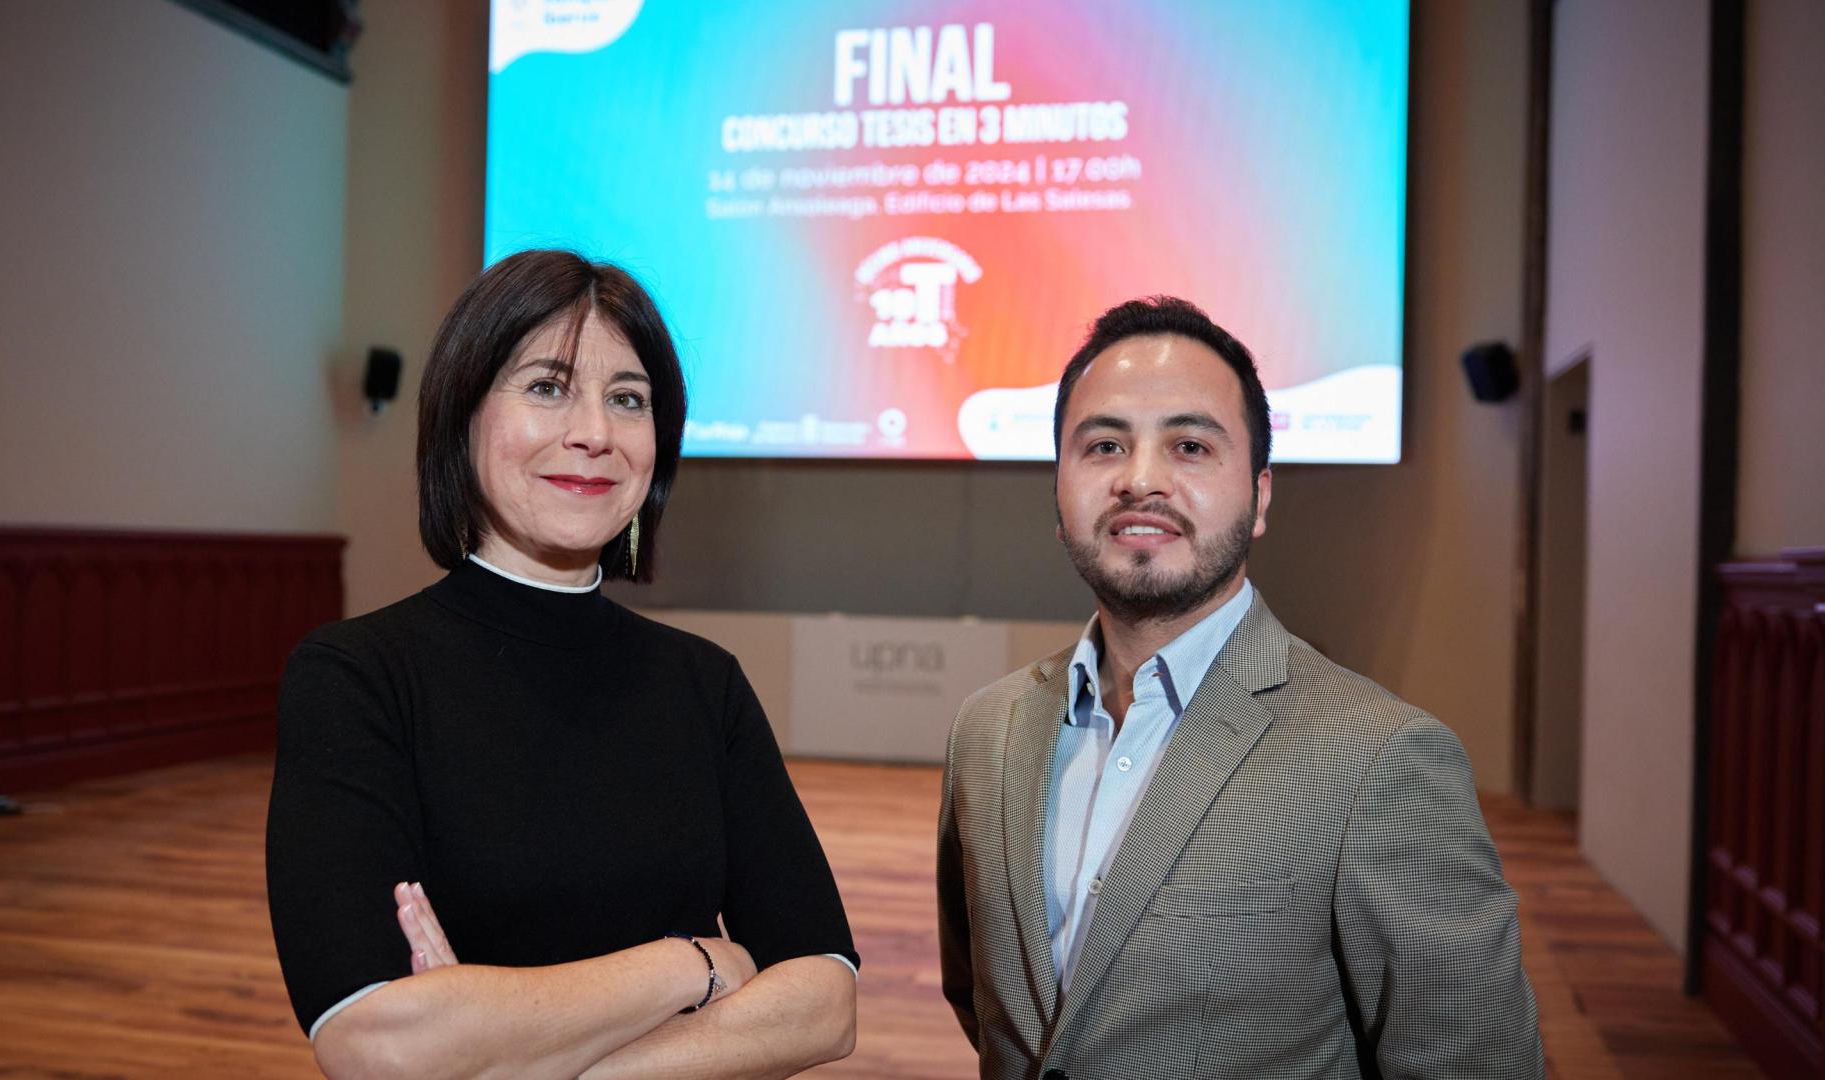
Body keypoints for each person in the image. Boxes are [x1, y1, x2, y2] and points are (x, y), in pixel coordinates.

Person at [266, 250, 858, 1080]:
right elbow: (377, 1043)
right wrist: (697, 964)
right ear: (461, 415)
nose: (595, 433)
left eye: (628, 400)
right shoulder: (355, 677)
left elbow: (826, 1001)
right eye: (547, 387)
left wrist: (503, 1044)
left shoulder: (703, 683)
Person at [936, 296, 1543, 1078]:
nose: (1139, 480)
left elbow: (1473, 1063)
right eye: (1103, 446)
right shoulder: (987, 730)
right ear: (1058, 492)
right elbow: (986, 1008)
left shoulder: (1384, 757)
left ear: (1259, 496)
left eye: (1189, 445)